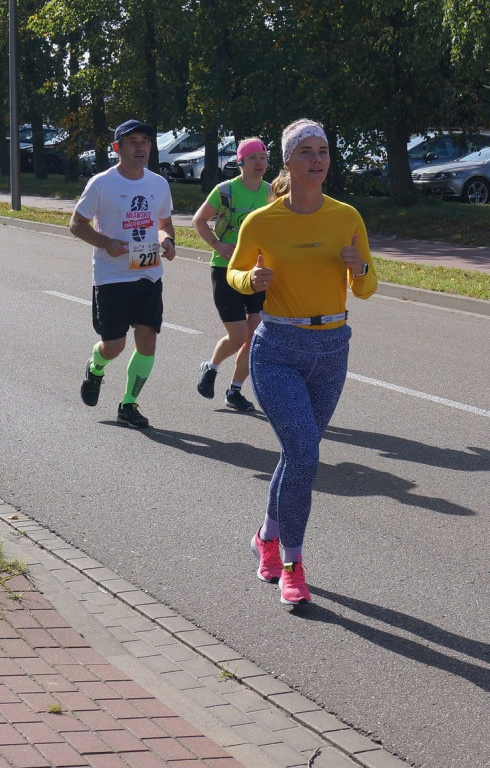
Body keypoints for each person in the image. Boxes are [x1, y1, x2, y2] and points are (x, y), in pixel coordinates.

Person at [226, 118, 377, 605]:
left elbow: (367, 288)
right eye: (307, 151)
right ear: (288, 161)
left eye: (324, 151)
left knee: (297, 455)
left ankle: (265, 538)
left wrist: (361, 268)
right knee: (306, 455)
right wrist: (252, 280)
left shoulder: (346, 216)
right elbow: (233, 271)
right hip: (278, 350)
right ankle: (291, 563)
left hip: (332, 348)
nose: (318, 159)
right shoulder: (263, 220)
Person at [71, 119, 176, 429]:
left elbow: (164, 224)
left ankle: (128, 404)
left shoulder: (158, 183)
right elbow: (76, 224)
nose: (140, 146)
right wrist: (106, 243)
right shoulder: (102, 183)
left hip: (148, 275)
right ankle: (96, 366)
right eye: (132, 141)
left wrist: (167, 241)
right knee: (114, 345)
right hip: (112, 277)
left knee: (147, 341)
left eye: (145, 140)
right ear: (117, 148)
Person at [192, 138, 272, 411]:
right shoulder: (225, 191)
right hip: (226, 269)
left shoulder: (272, 193)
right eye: (253, 158)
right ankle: (211, 366)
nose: (259, 163)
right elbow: (199, 220)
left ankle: (234, 391)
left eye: (263, 157)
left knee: (256, 337)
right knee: (237, 336)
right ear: (240, 163)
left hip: (258, 272)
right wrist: (216, 244)